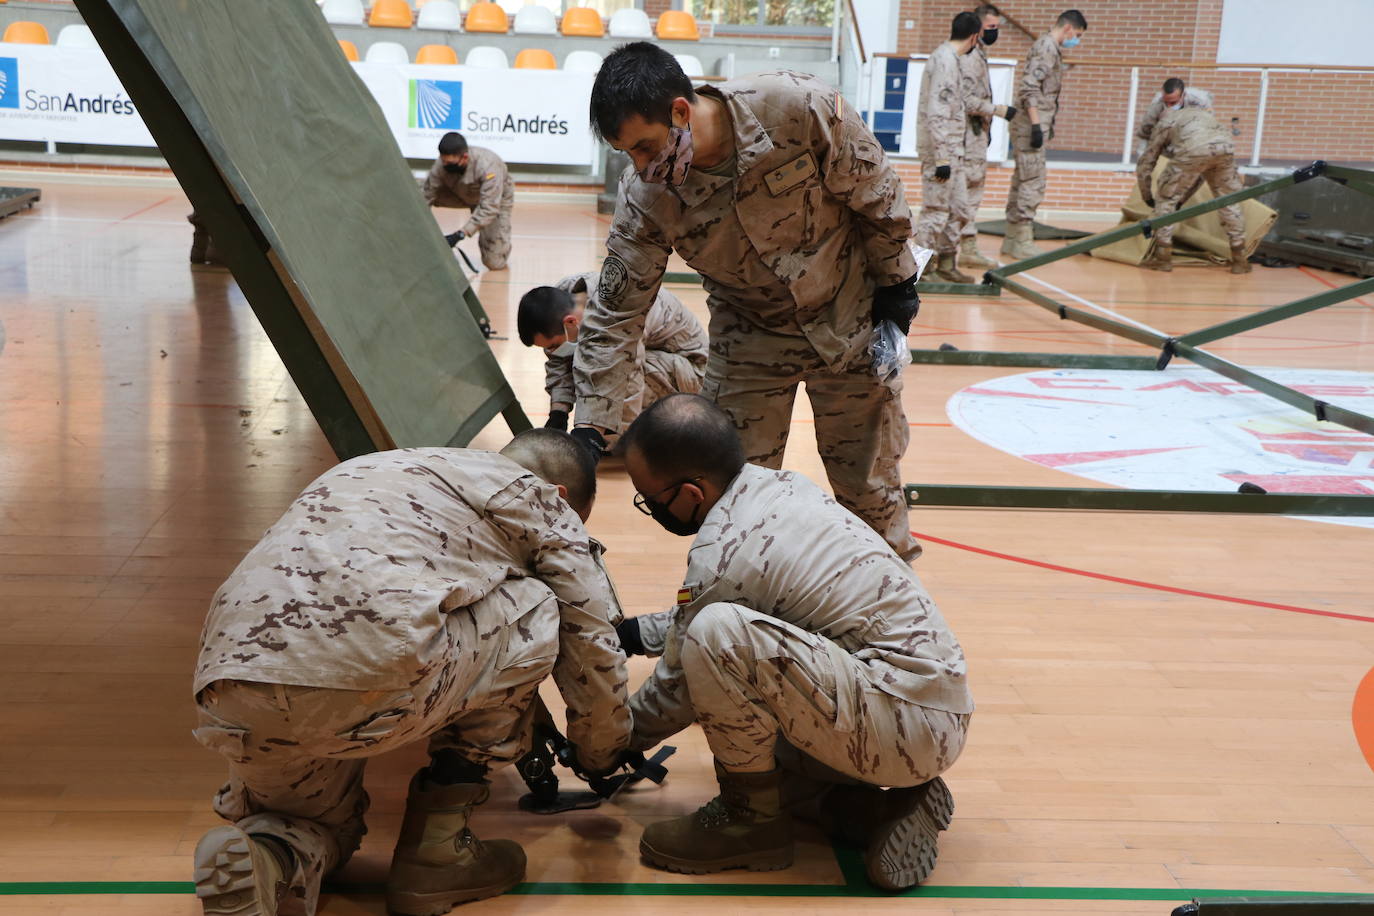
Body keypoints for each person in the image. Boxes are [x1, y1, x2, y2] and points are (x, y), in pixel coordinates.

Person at [190, 431, 632, 916]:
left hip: (231, 684)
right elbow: (592, 645)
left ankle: (268, 856)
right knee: (539, 607)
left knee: (311, 823)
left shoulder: (375, 466)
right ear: (561, 496)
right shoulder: (538, 499)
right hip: (365, 678)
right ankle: (438, 851)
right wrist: (599, 754)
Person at [576, 42, 926, 562]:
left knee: (870, 493)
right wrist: (592, 429)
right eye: (628, 154)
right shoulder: (646, 195)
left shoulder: (797, 109)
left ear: (680, 111)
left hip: (850, 320)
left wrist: (898, 282)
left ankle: (892, 605)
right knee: (733, 501)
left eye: (646, 147)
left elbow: (877, 192)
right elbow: (616, 313)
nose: (642, 166)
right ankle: (741, 607)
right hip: (750, 341)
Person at [614, 394, 973, 890]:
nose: (650, 509)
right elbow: (721, 605)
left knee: (718, 642)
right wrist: (633, 634)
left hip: (905, 721)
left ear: (692, 493)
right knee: (749, 727)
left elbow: (676, 686)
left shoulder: (724, 553)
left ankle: (750, 822)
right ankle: (871, 810)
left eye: (651, 499)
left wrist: (607, 742)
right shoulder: (778, 488)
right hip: (926, 703)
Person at [518, 272, 707, 434]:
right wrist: (558, 413)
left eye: (552, 345)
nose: (551, 352)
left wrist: (606, 439)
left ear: (570, 322)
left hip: (692, 370)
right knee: (588, 361)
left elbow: (628, 381)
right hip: (655, 354)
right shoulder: (561, 299)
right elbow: (559, 361)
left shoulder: (616, 314)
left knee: (597, 366)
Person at [914, 11, 1006, 283]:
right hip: (941, 152)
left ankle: (946, 262)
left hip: (956, 149)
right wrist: (941, 158)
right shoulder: (944, 60)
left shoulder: (953, 59)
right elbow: (937, 113)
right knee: (935, 211)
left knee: (961, 209)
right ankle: (918, 270)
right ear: (975, 36)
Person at [1001, 9, 1088, 260]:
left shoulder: (1048, 47)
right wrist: (1037, 125)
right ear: (1068, 28)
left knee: (1023, 179)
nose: (1076, 40)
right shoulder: (1047, 47)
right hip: (1030, 124)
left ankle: (1011, 238)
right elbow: (1029, 87)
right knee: (1033, 181)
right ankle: (1022, 239)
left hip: (1030, 123)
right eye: (1077, 35)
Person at [1137, 106, 1250, 274]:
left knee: (1166, 199)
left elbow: (1147, 161)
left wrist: (1147, 196)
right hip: (1225, 148)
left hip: (1193, 149)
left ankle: (1162, 258)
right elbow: (1200, 173)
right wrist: (1183, 198)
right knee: (1228, 200)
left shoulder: (1165, 122)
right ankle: (1239, 259)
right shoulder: (1205, 115)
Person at [957, 4, 1014, 270]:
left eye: (997, 28)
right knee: (964, 193)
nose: (994, 32)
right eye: (991, 27)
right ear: (977, 28)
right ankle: (953, 251)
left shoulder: (979, 53)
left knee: (972, 191)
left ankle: (965, 249)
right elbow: (966, 100)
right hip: (966, 136)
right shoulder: (968, 57)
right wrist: (997, 110)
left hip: (976, 135)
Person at [422, 131, 515, 271]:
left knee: (494, 263)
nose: (445, 165)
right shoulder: (441, 165)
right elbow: (426, 196)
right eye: (443, 161)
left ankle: (501, 241)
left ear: (464, 157)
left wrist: (460, 234)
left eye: (449, 163)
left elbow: (489, 207)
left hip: (494, 200)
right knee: (417, 190)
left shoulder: (488, 165)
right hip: (460, 193)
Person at [1136, 77, 1213, 147]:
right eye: (1166, 102)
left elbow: (1209, 121)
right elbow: (1146, 130)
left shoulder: (1200, 100)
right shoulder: (1157, 104)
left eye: (1173, 103)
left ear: (1183, 95)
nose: (1169, 106)